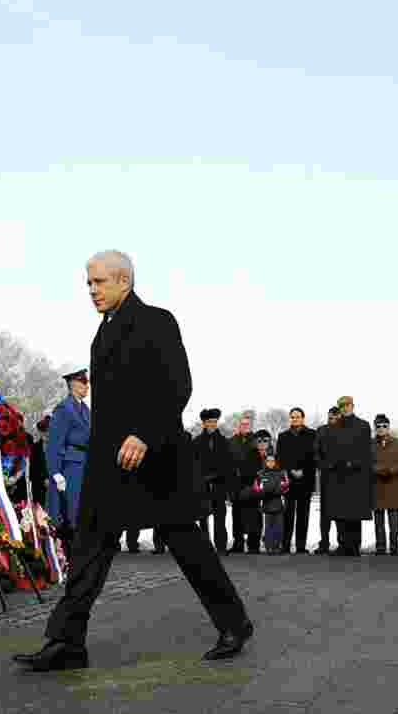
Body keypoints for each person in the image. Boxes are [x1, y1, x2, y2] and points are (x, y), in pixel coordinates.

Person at [13, 250, 253, 672]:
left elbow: (177, 385)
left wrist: (144, 433)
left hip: (157, 460)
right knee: (89, 548)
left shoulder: (157, 321)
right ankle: (66, 642)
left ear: (124, 281)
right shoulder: (102, 333)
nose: (91, 290)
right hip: (109, 465)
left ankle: (234, 624)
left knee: (187, 543)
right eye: (88, 283)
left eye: (99, 282)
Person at [317, 396, 374, 556]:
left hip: (357, 475)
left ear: (352, 406)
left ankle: (354, 546)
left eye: (347, 405)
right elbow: (329, 449)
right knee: (339, 513)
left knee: (354, 514)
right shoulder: (334, 427)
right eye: (342, 406)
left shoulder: (363, 425)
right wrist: (332, 464)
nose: (345, 408)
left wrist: (354, 463)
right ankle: (343, 545)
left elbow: (365, 450)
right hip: (338, 474)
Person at [45, 369, 91, 540]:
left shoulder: (84, 408)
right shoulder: (64, 409)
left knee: (82, 510)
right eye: (84, 382)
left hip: (84, 462)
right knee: (71, 510)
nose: (87, 386)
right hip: (70, 465)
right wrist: (55, 472)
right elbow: (54, 443)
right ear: (73, 385)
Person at [193, 408, 236, 554]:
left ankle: (221, 546)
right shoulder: (196, 442)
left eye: (214, 422)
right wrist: (201, 478)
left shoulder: (224, 441)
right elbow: (193, 464)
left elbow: (228, 464)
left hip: (219, 484)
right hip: (202, 485)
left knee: (220, 517)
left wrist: (221, 478)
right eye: (209, 422)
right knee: (203, 518)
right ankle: (204, 547)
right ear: (204, 423)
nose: (212, 424)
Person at [277, 408, 317, 554]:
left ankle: (301, 547)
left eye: (297, 417)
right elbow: (280, 458)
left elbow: (315, 457)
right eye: (293, 417)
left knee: (303, 515)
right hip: (289, 480)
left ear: (303, 418)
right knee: (288, 515)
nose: (295, 419)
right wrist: (290, 470)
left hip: (306, 480)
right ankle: (285, 545)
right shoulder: (283, 436)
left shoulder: (312, 434)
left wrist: (303, 471)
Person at [372, 414, 398, 555]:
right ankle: (380, 547)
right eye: (378, 426)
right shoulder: (370, 444)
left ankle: (394, 547)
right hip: (377, 486)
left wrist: (391, 471)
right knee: (378, 520)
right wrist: (378, 470)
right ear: (375, 428)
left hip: (394, 485)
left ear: (388, 427)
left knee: (394, 520)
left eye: (384, 426)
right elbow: (367, 462)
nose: (381, 428)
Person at [226, 416, 258, 553]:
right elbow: (227, 464)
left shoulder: (256, 441)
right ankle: (238, 544)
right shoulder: (231, 441)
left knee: (253, 515)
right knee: (237, 515)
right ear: (237, 426)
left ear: (250, 426)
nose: (244, 426)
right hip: (236, 484)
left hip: (252, 483)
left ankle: (253, 545)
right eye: (242, 424)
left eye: (246, 424)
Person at [313, 407, 342, 554]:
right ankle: (324, 543)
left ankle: (342, 544)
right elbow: (315, 452)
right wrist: (324, 466)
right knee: (325, 513)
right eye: (330, 418)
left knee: (341, 512)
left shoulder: (346, 431)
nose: (333, 420)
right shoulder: (321, 431)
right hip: (326, 476)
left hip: (343, 477)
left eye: (336, 418)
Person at [254, 452, 289, 553]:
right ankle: (269, 547)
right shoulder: (260, 474)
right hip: (266, 505)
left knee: (279, 527)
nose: (270, 463)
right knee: (268, 527)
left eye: (272, 461)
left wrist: (270, 490)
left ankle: (277, 547)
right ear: (265, 462)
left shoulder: (281, 473)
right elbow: (256, 489)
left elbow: (285, 487)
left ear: (275, 462)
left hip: (278, 504)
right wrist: (270, 490)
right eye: (268, 461)